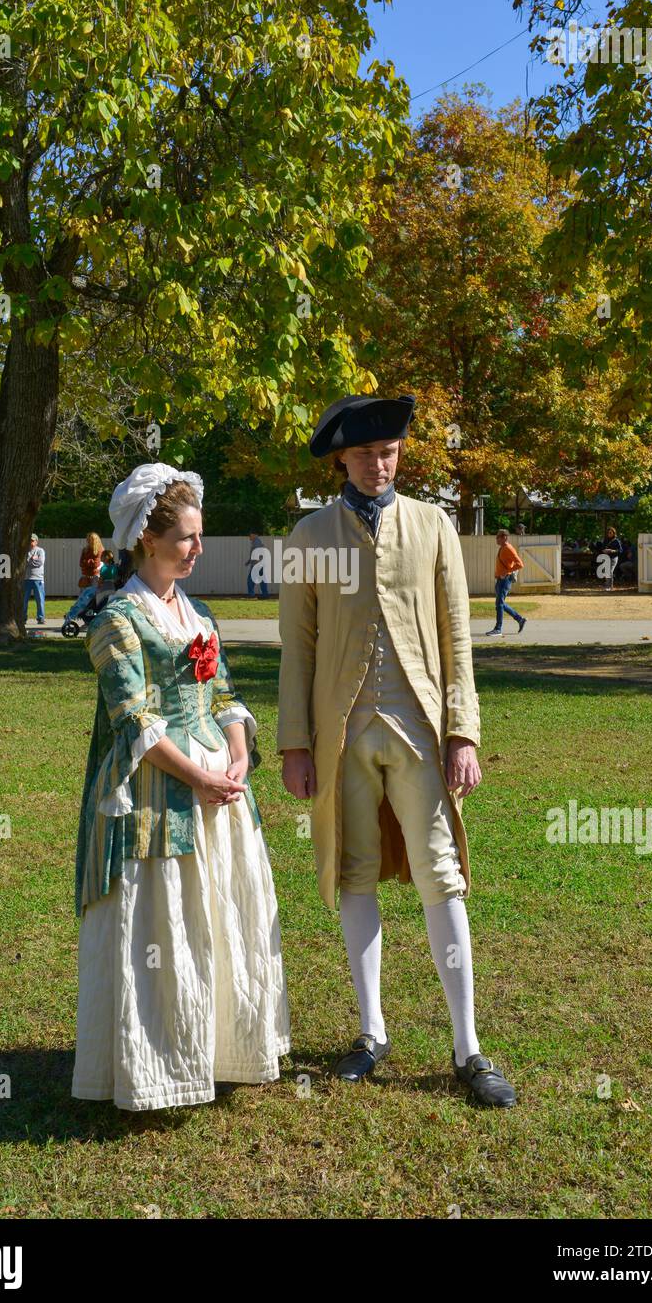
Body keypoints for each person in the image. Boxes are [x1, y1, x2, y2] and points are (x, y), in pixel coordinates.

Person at [278, 393, 516, 1108]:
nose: (378, 465)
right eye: (364, 454)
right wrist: (295, 743)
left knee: (440, 873)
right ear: (341, 460)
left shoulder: (434, 524)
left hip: (419, 730)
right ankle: (371, 1032)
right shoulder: (308, 536)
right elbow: (299, 649)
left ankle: (467, 1046)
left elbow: (456, 635)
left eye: (388, 454)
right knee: (352, 873)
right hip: (341, 734)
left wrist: (464, 730)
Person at [72, 462, 290, 1111]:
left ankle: (219, 1046)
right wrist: (197, 776)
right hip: (154, 788)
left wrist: (240, 756)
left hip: (218, 783)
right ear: (146, 538)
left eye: (200, 536)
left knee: (220, 917)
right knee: (165, 923)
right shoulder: (117, 620)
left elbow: (222, 690)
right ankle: (159, 1063)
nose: (197, 549)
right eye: (186, 538)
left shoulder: (195, 611)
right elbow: (133, 719)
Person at [486, 529, 527, 636]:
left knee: (499, 604)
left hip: (505, 580)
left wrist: (507, 572)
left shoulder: (508, 548)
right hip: (500, 579)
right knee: (500, 604)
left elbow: (520, 564)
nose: (496, 539)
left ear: (504, 537)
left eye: (498, 537)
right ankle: (520, 619)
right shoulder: (503, 548)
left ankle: (498, 629)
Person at [23, 533, 46, 624]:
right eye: (30, 540)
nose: (31, 542)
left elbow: (40, 563)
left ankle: (40, 618)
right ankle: (23, 618)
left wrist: (30, 561)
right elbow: (24, 563)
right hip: (26, 579)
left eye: (32, 541)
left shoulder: (40, 551)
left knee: (40, 600)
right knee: (24, 600)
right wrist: (32, 559)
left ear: (36, 541)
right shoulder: (25, 551)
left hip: (38, 579)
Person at [245, 532, 270, 599]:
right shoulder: (256, 542)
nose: (249, 537)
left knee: (250, 580)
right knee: (262, 580)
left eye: (249, 535)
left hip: (257, 564)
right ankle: (265, 594)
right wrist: (248, 562)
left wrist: (257, 562)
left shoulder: (256, 542)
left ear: (253, 535)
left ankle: (251, 594)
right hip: (259, 564)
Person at [600, 526, 622, 591]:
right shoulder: (605, 540)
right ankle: (609, 586)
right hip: (606, 558)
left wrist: (613, 551)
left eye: (610, 532)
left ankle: (609, 586)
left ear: (613, 533)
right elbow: (602, 549)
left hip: (613, 558)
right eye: (608, 533)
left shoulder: (617, 541)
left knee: (610, 571)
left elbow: (620, 550)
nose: (609, 534)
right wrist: (604, 551)